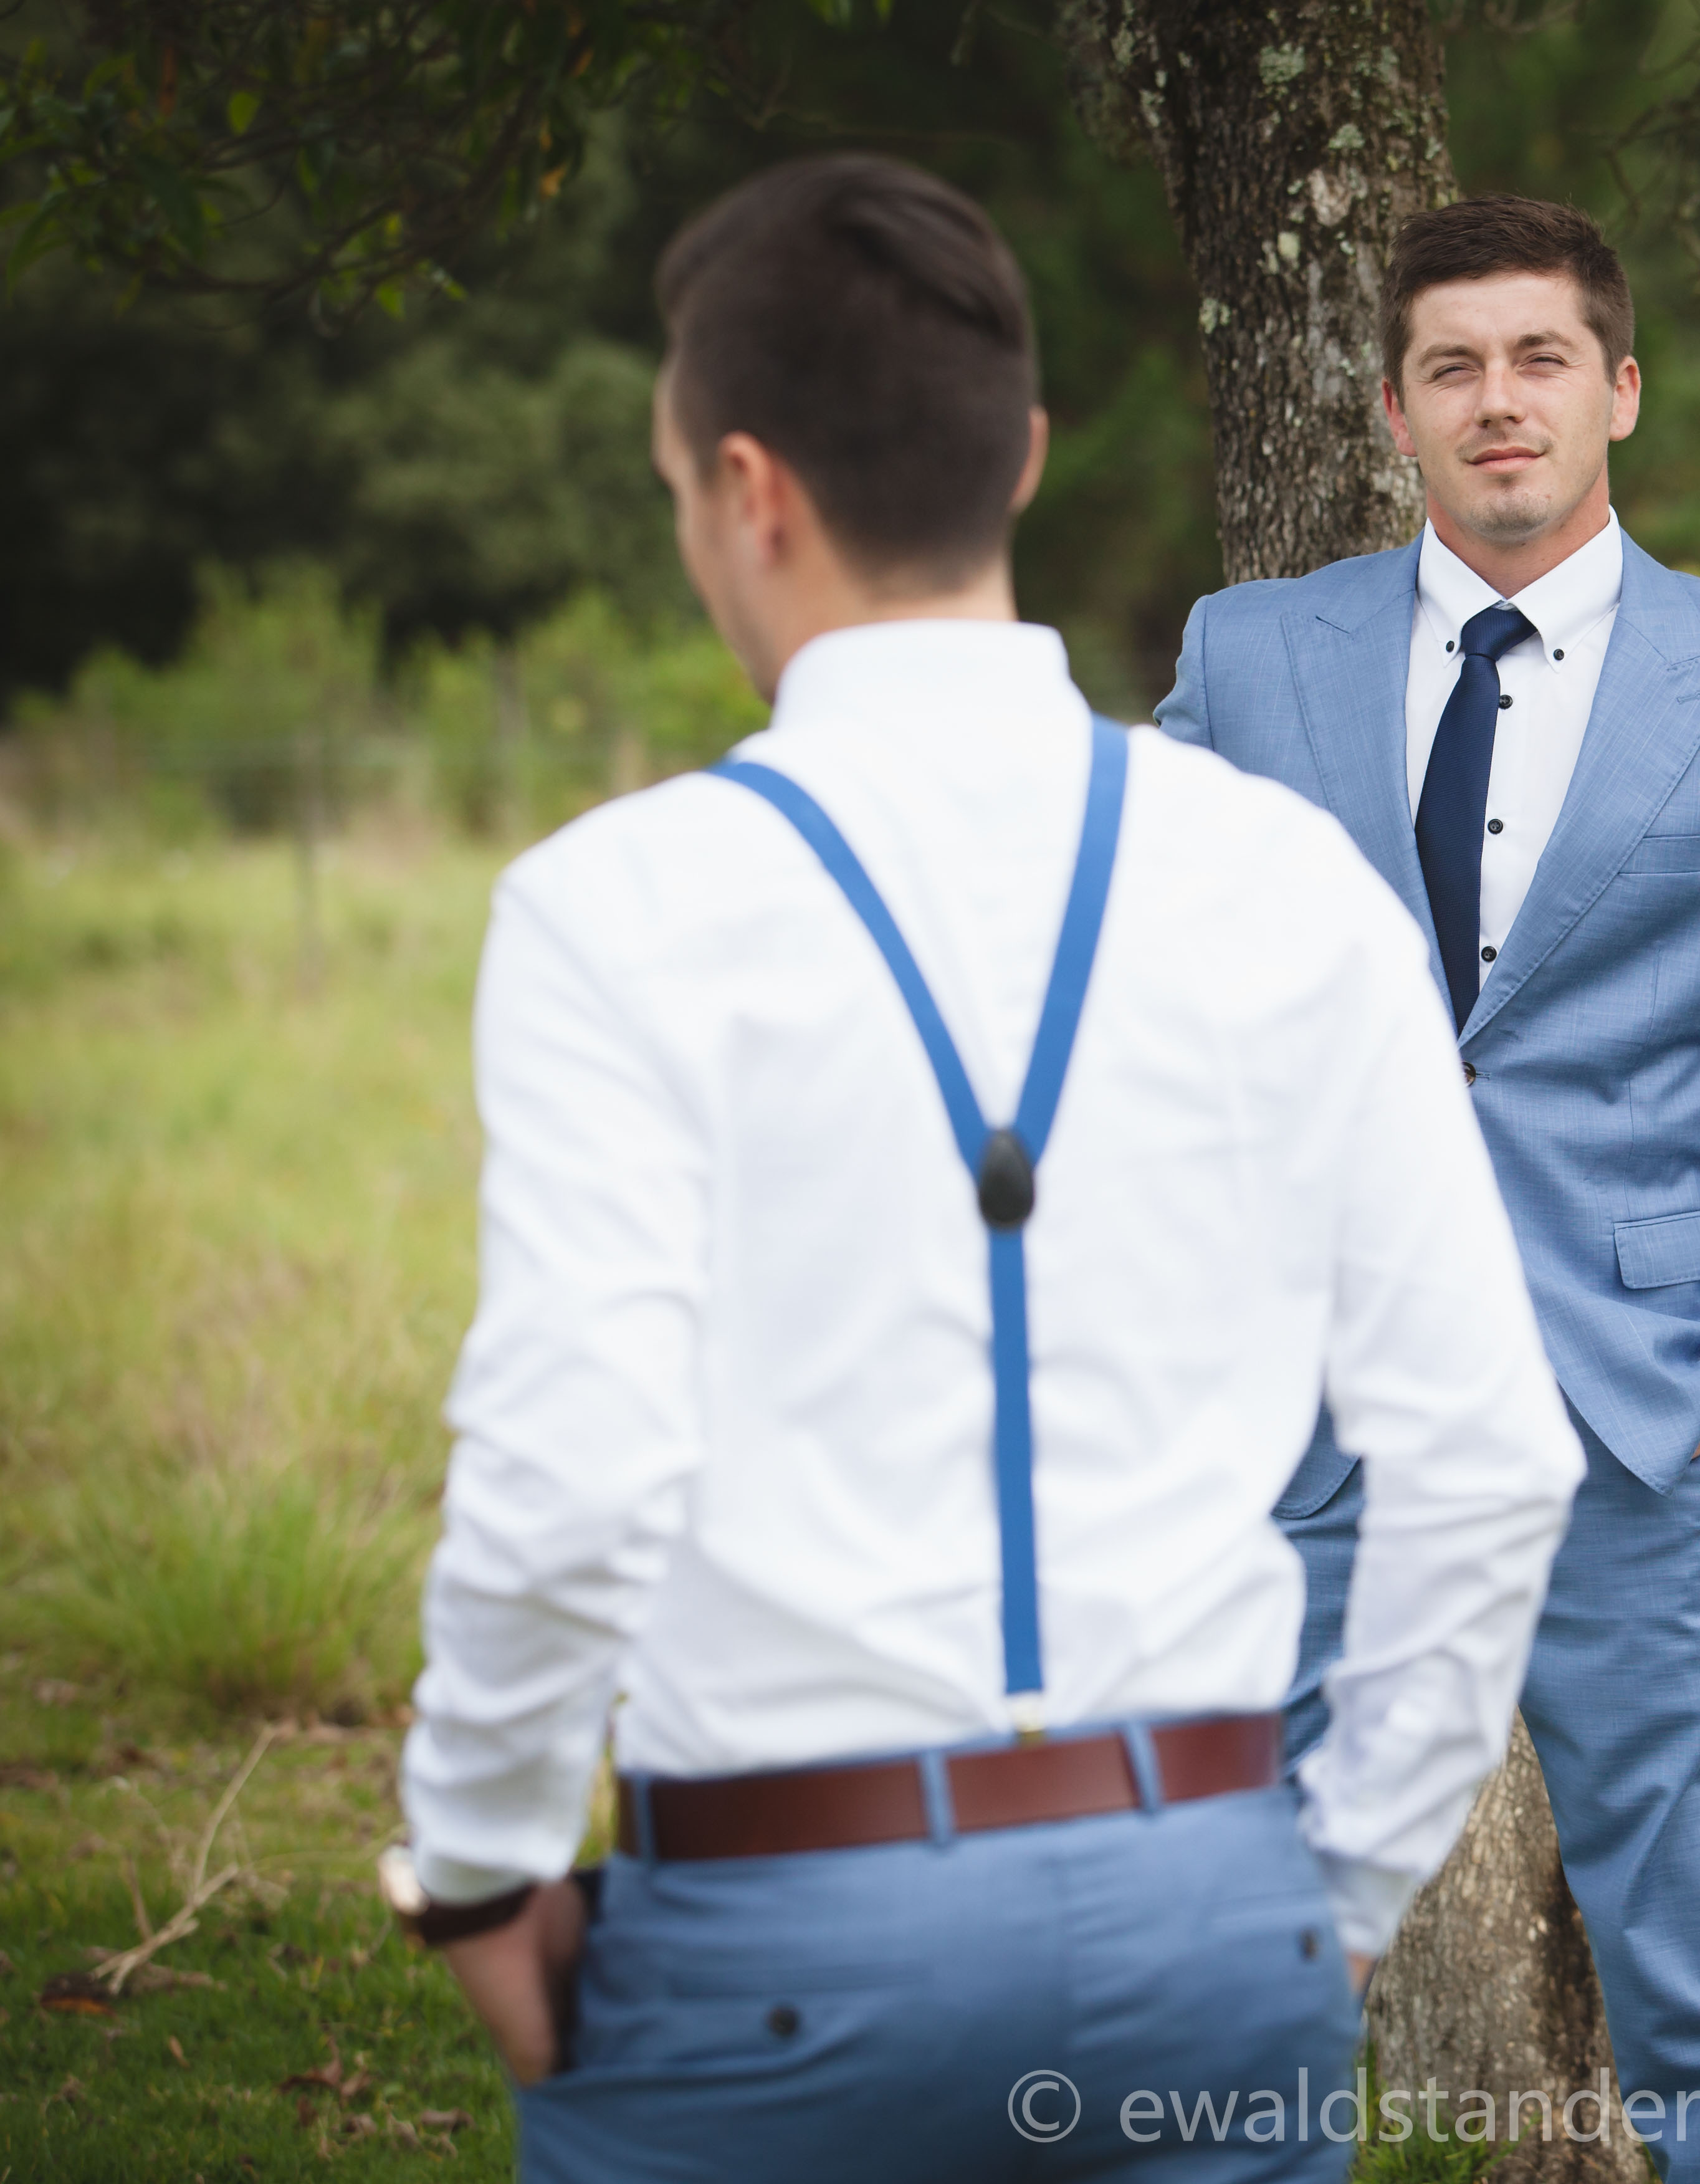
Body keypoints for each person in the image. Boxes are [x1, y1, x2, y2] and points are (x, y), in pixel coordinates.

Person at [386, 155, 1582, 2183]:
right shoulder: (1292, 885)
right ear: (1020, 455)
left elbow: (571, 1470)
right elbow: (1486, 1459)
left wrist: (481, 1868)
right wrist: (1336, 1889)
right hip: (1211, 1912)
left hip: (776, 1939)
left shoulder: (615, 907)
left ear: (745, 491)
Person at [1156, 196, 1700, 2184]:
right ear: (1395, 412)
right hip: (1311, 1426)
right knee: (1230, 1958)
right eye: (1452, 367)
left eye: (1539, 359)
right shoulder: (1248, 662)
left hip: (1649, 1428)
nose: (1496, 400)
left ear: (1620, 389)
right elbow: (1128, 989)